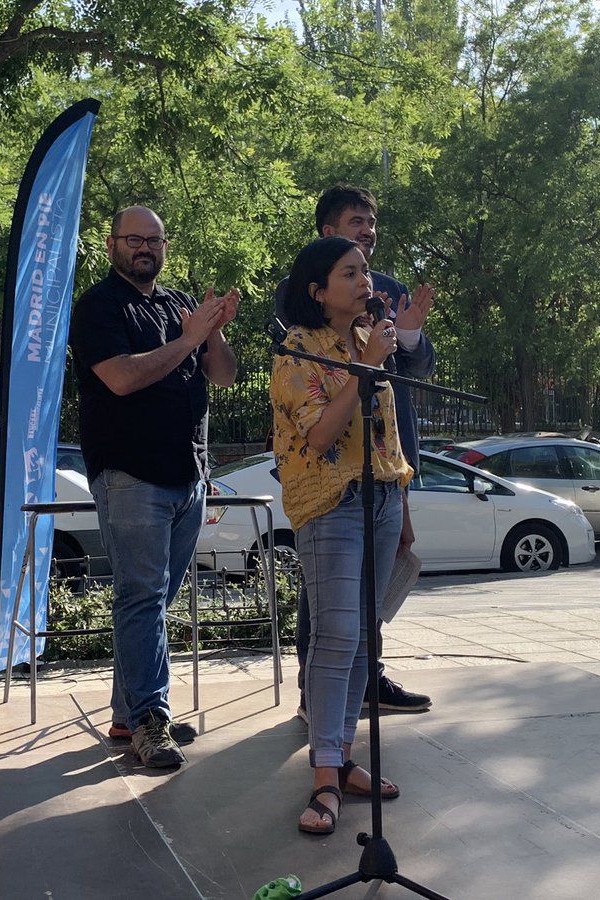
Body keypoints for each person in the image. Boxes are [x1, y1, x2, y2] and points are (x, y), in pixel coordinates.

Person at [70, 206, 239, 768]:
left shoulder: (177, 305)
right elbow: (120, 378)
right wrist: (190, 339)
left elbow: (224, 375)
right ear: (112, 244)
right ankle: (149, 719)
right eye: (134, 239)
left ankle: (130, 711)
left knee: (150, 604)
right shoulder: (97, 307)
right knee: (141, 599)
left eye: (154, 239)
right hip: (130, 474)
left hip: (186, 475)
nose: (144, 247)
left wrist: (210, 334)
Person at [275, 184, 437, 715]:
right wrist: (366, 355)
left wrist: (407, 335)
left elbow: (411, 371)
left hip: (385, 463)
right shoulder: (303, 291)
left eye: (371, 222)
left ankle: (367, 684)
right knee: (330, 610)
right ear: (327, 232)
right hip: (329, 477)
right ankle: (316, 699)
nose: (367, 232)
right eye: (355, 222)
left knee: (366, 610)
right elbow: (311, 392)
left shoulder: (383, 292)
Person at [272, 236, 412, 834]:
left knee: (362, 638)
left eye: (365, 272)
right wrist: (369, 368)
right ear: (317, 289)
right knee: (335, 638)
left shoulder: (365, 341)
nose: (364, 282)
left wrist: (401, 499)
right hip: (331, 502)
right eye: (349, 273)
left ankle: (344, 755)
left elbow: (387, 434)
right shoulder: (296, 352)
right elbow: (324, 434)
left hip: (380, 495)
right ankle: (323, 777)